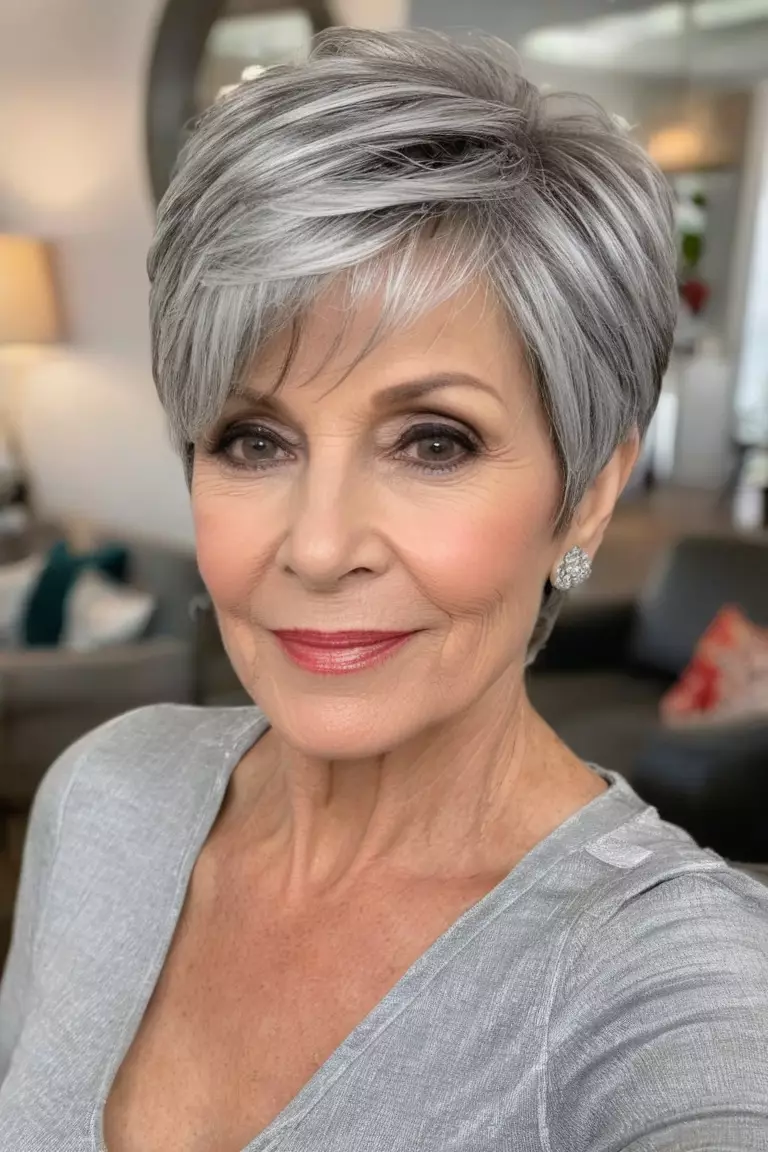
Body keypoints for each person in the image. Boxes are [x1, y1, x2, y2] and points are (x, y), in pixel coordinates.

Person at [1, 26, 767, 1152]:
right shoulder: (100, 792)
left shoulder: (664, 988)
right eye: (254, 440)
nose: (316, 547)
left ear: (591, 491)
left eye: (435, 441)